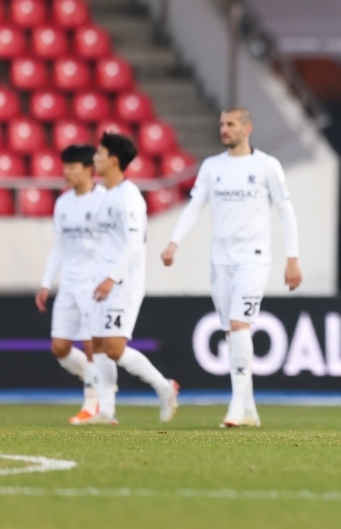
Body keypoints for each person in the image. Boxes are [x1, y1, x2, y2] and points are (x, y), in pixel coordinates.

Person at [161, 108, 302, 428]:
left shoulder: (267, 166)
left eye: (230, 125)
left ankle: (236, 407)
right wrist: (174, 241)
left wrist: (292, 257)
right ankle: (250, 409)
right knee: (231, 331)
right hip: (220, 260)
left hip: (253, 258)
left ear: (247, 129)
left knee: (239, 325)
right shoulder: (212, 167)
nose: (224, 129)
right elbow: (194, 205)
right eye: (222, 124)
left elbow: (286, 212)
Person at [89, 132, 178, 425]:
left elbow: (133, 243)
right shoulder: (106, 196)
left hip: (123, 282)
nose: (95, 159)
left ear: (114, 160)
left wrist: (112, 277)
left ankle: (164, 387)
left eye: (99, 154)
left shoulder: (129, 197)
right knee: (99, 344)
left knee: (114, 347)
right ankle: (106, 411)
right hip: (104, 280)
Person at [35, 145, 106, 425]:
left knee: (91, 344)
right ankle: (98, 380)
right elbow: (60, 246)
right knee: (60, 347)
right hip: (69, 283)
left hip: (94, 282)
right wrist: (45, 283)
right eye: (65, 167)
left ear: (89, 169)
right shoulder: (62, 203)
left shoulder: (104, 201)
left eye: (72, 167)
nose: (66, 172)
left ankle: (92, 402)